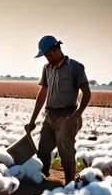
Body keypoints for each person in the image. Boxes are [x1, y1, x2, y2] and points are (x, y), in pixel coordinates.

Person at [25, 35, 91, 185]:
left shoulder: (75, 67)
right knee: (42, 150)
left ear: (56, 49)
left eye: (48, 54)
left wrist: (75, 116)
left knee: (66, 153)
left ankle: (69, 185)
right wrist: (32, 120)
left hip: (67, 116)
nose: (46, 58)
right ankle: (44, 181)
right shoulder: (47, 68)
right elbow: (42, 94)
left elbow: (86, 93)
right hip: (50, 116)